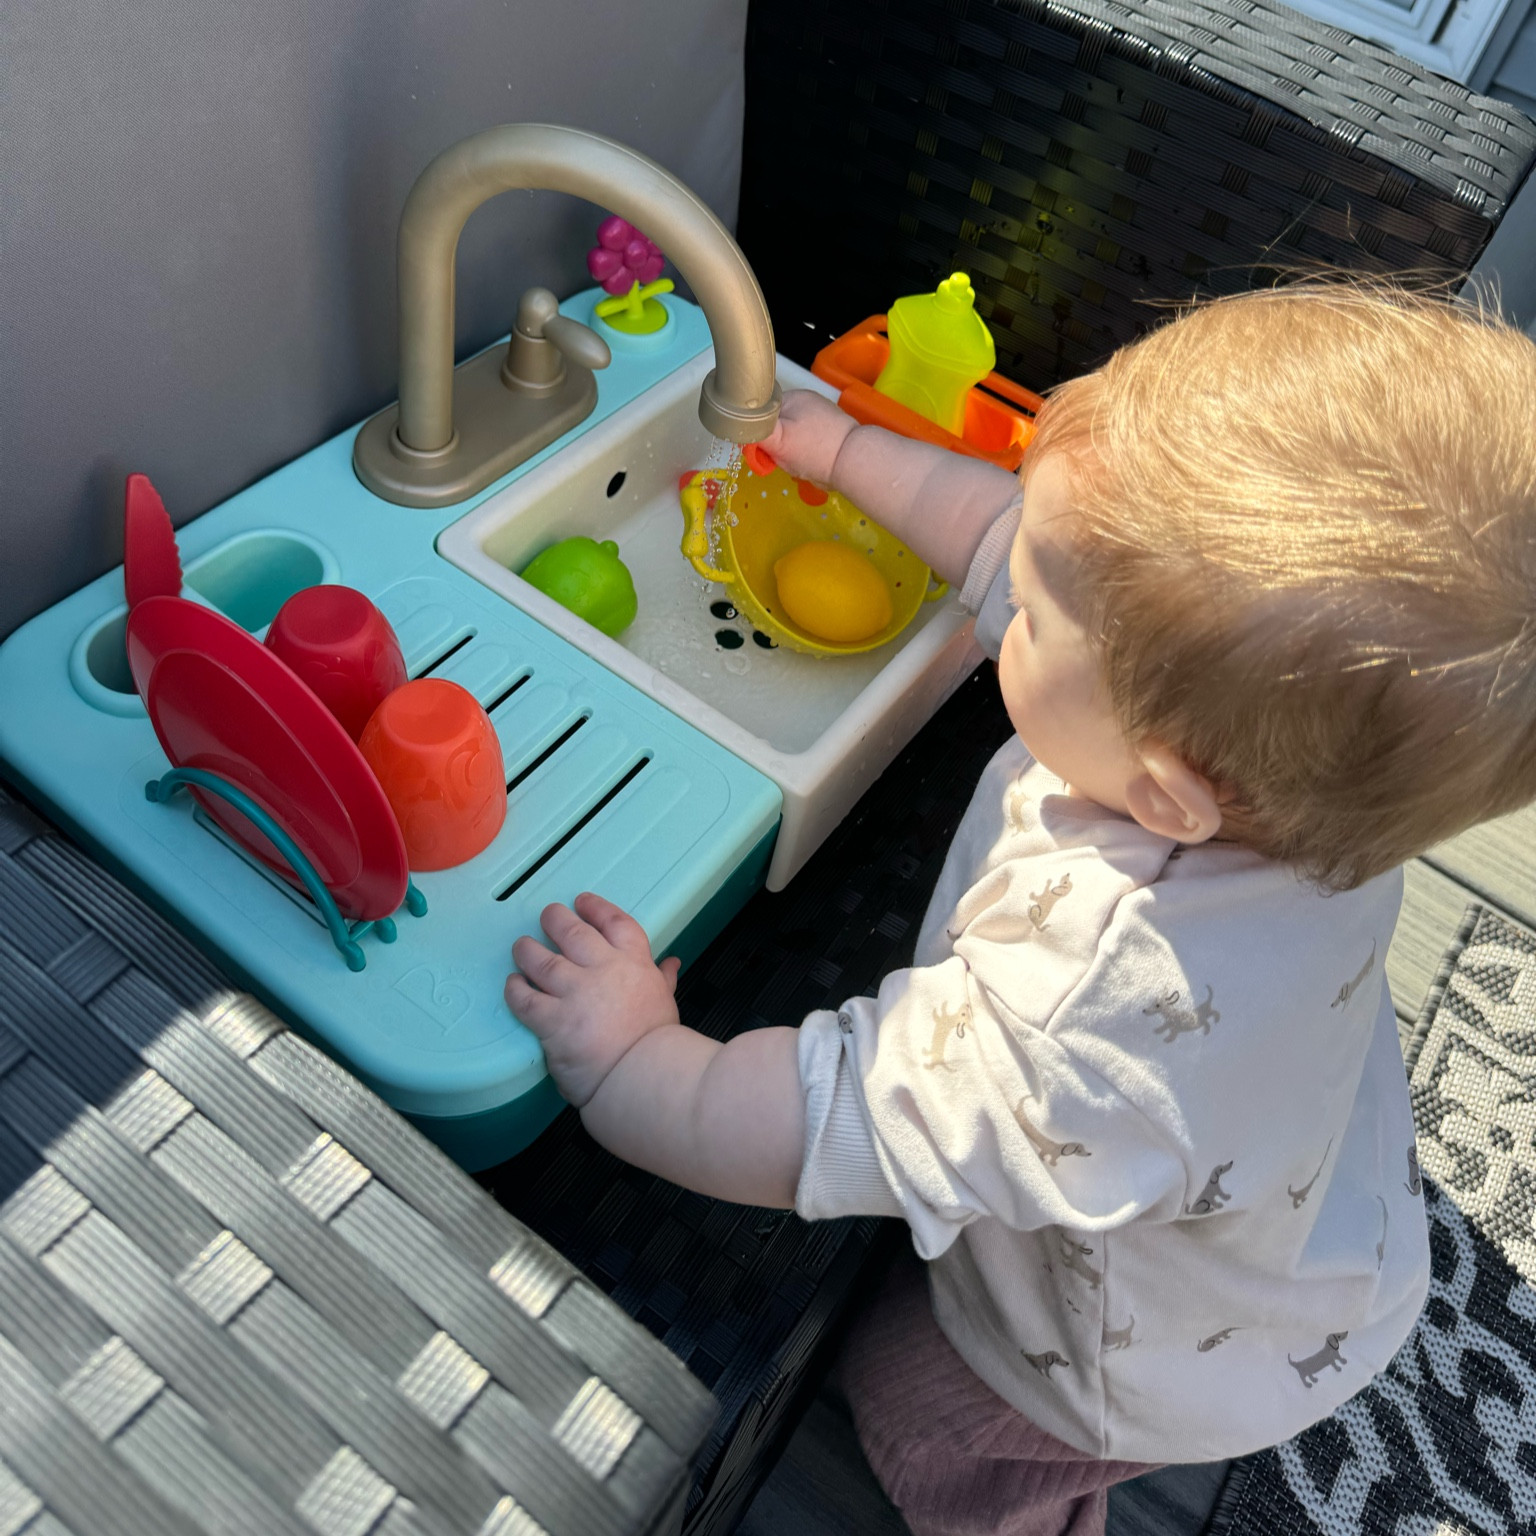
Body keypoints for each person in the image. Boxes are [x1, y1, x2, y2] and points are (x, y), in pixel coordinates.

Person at [505, 280, 1536, 1535]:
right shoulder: (1301, 779)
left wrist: (630, 1058)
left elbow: (820, 1125)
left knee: (920, 1411)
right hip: (1313, 1221)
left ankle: (1035, 1513)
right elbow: (1001, 532)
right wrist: (831, 445)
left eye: (1034, 614)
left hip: (1132, 1364)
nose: (1006, 595)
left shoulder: (1086, 1006)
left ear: (1163, 791)